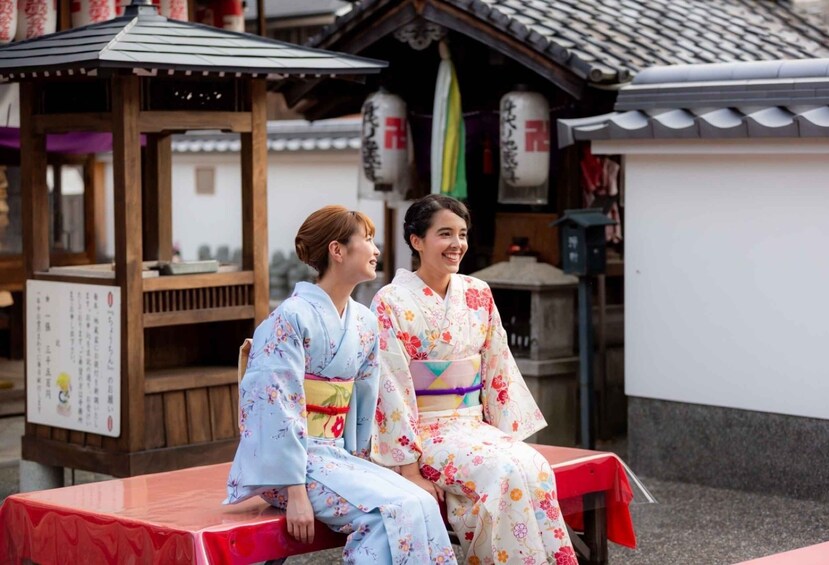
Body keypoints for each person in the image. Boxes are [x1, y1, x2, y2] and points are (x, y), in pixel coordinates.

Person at [224, 205, 457, 565]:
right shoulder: (290, 317)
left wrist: (363, 461)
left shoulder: (364, 321)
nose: (375, 249)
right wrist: (295, 490)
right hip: (290, 467)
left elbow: (363, 403)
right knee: (388, 512)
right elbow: (274, 406)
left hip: (336, 456)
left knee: (420, 502)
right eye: (367, 239)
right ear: (337, 250)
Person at [370, 194, 579, 565]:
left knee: (534, 466)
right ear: (417, 241)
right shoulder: (390, 301)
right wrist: (408, 467)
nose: (457, 244)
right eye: (445, 234)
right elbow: (389, 385)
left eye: (462, 234)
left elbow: (497, 363)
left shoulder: (477, 293)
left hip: (472, 424)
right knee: (500, 474)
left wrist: (504, 435)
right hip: (425, 433)